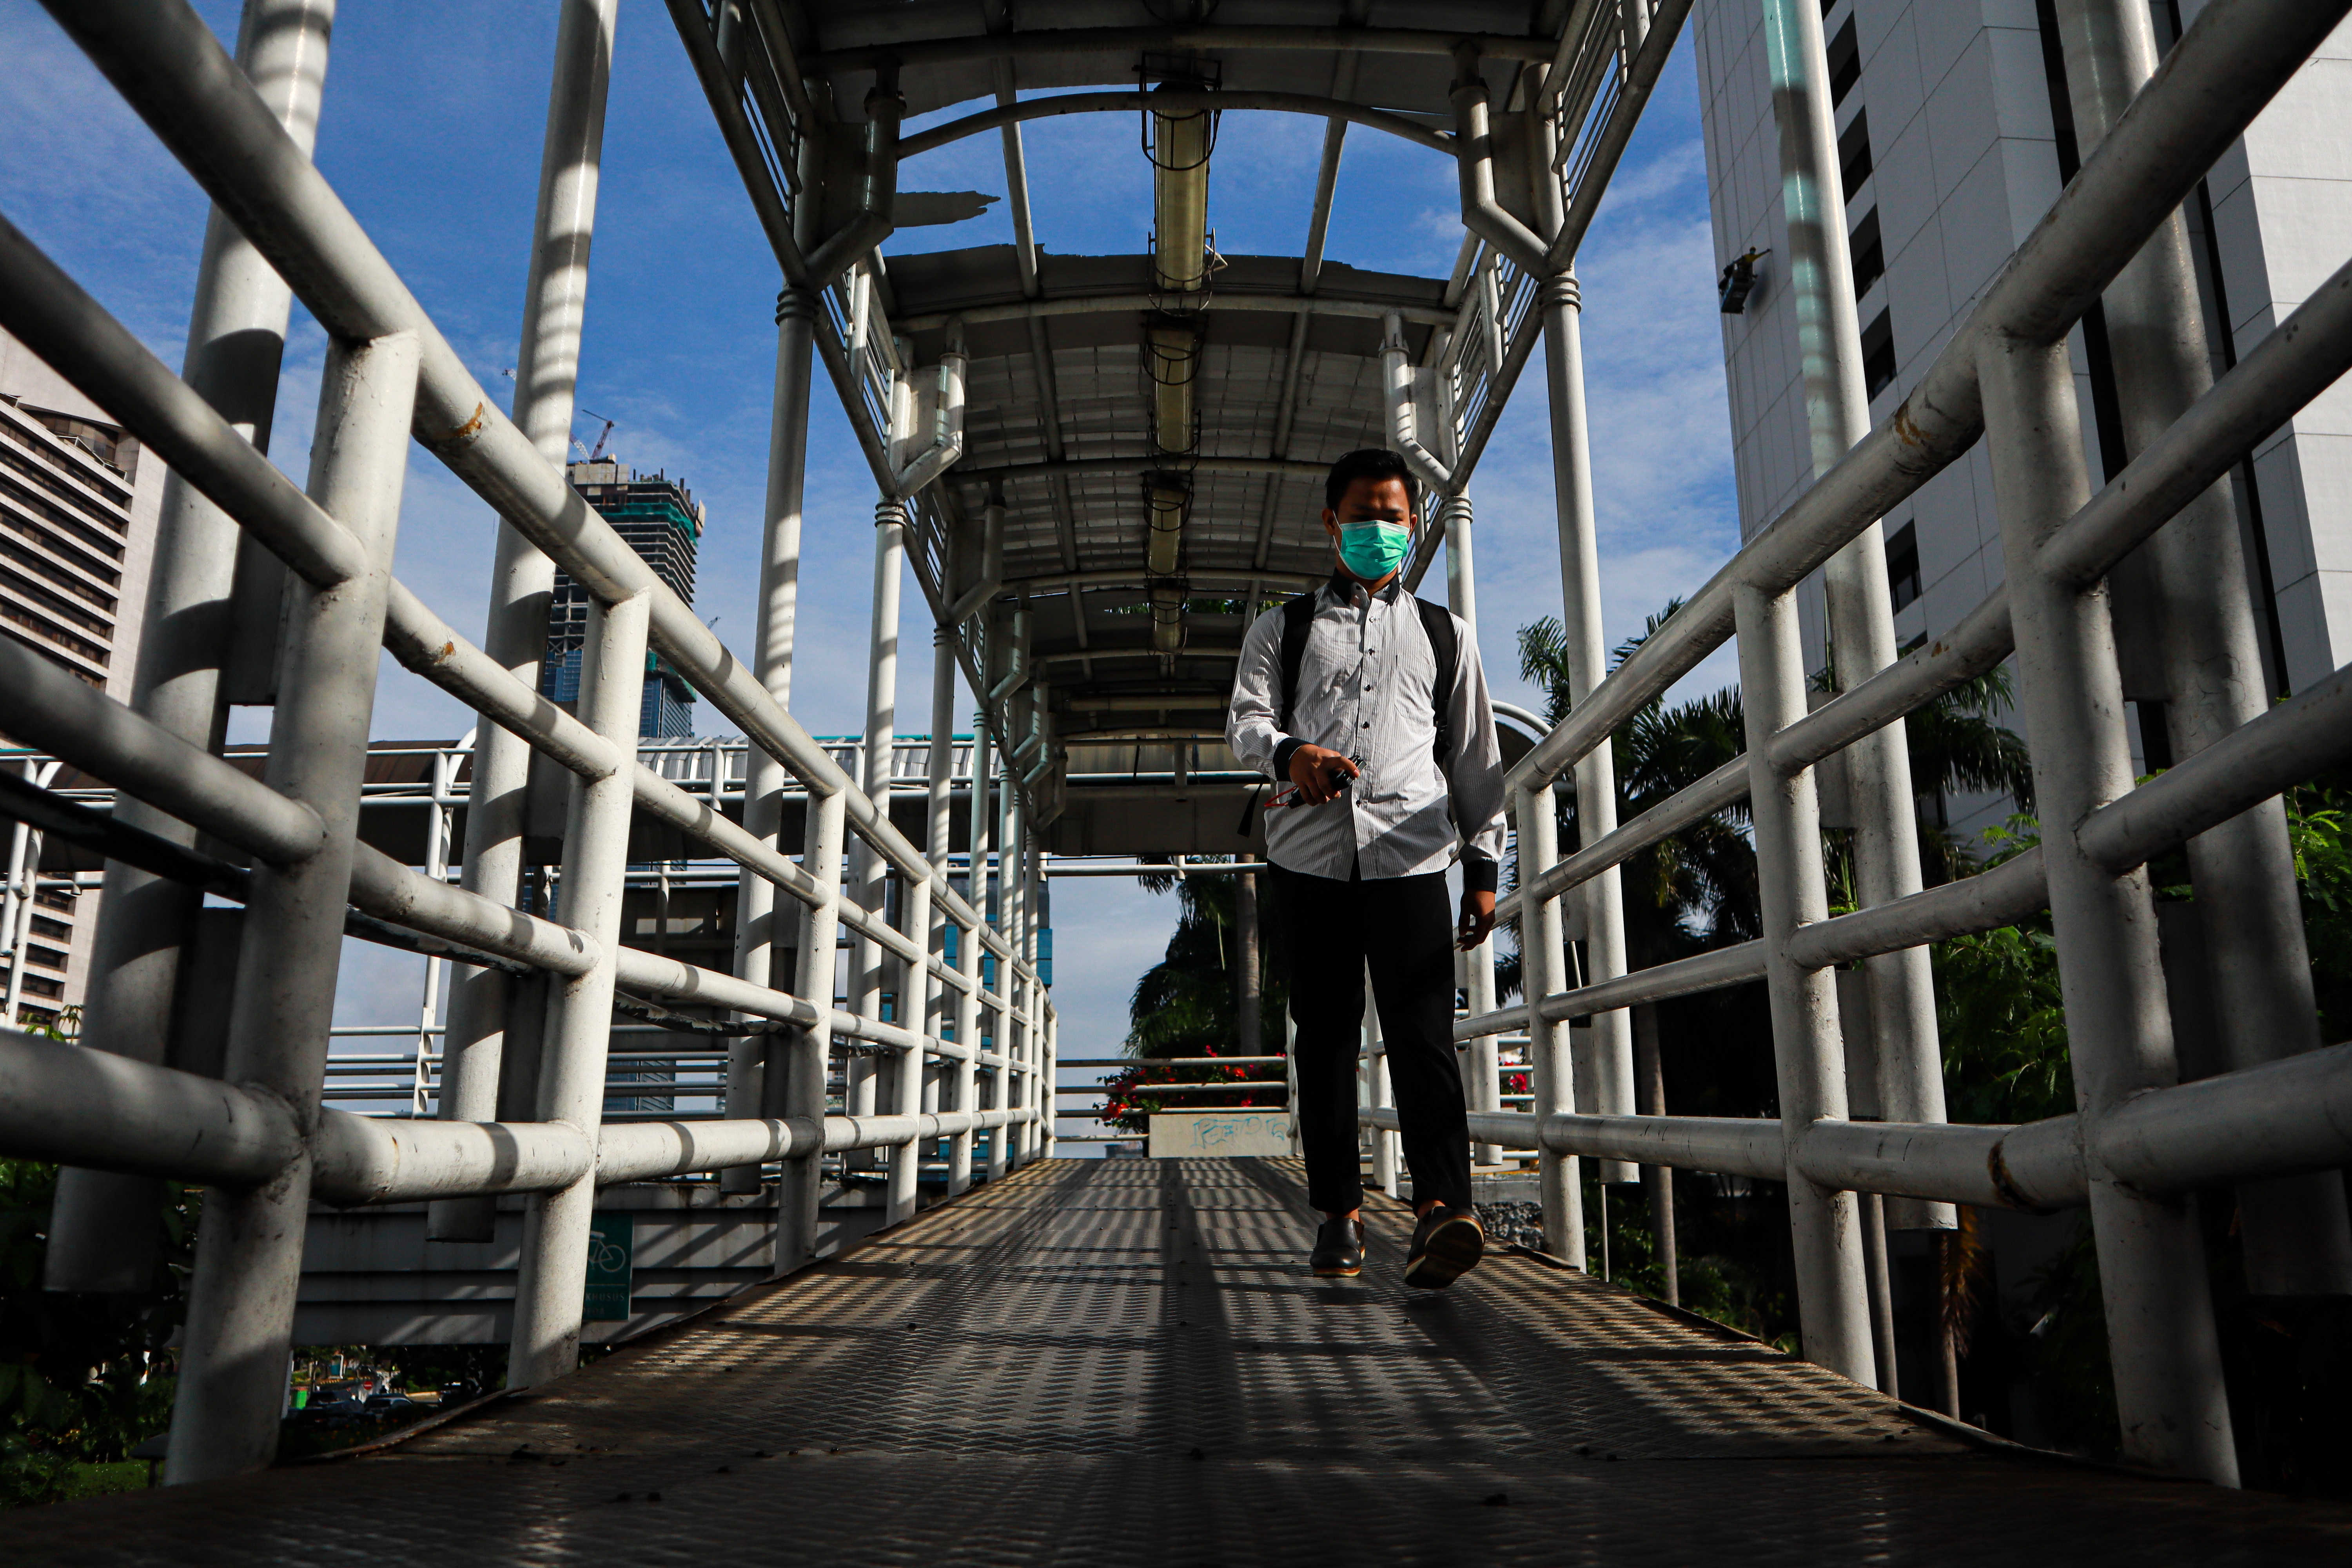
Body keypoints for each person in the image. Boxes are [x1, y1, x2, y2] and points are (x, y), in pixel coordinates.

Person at [1226, 447, 1506, 1289]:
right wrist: (1290, 754)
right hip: (1310, 858)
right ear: (1330, 522)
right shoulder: (1285, 628)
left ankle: (1441, 1211)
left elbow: (1475, 756)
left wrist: (1486, 863)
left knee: (1424, 1035)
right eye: (1363, 514)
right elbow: (1244, 721)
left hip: (1413, 857)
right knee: (1327, 1035)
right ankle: (1339, 1214)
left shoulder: (1445, 634)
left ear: (1415, 522)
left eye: (1393, 514)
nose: (1379, 529)